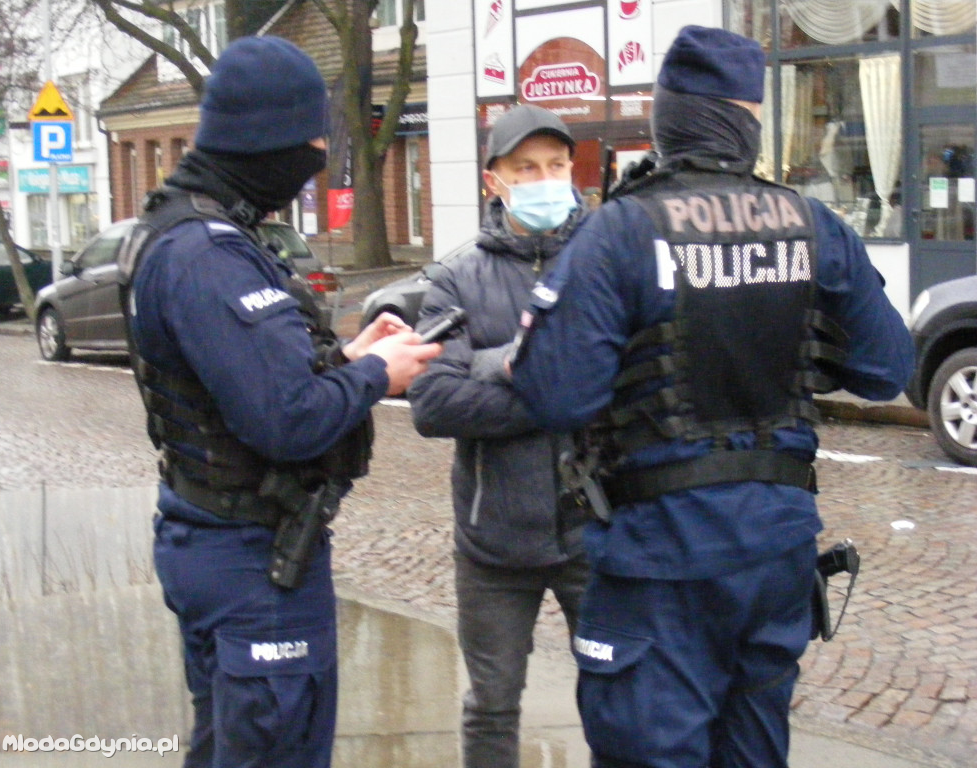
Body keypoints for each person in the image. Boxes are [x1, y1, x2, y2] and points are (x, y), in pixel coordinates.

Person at [510, 26, 915, 768]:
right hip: (776, 557)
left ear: (669, 120)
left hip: (659, 564)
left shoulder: (619, 232)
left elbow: (555, 396)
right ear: (746, 120)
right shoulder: (812, 225)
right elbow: (888, 368)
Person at [120, 36, 441, 768]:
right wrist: (375, 378)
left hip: (214, 539)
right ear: (265, 137)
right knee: (275, 746)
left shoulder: (183, 232)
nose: (321, 151)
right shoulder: (207, 252)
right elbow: (286, 418)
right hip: (251, 564)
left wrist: (351, 357)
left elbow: (244, 375)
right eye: (312, 136)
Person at [406, 104, 590, 768]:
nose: (546, 180)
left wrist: (499, 368)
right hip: (493, 543)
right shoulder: (456, 278)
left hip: (594, 530)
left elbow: (632, 384)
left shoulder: (604, 264)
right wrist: (555, 389)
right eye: (526, 169)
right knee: (491, 704)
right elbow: (431, 402)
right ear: (494, 181)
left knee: (620, 694)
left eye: (557, 166)